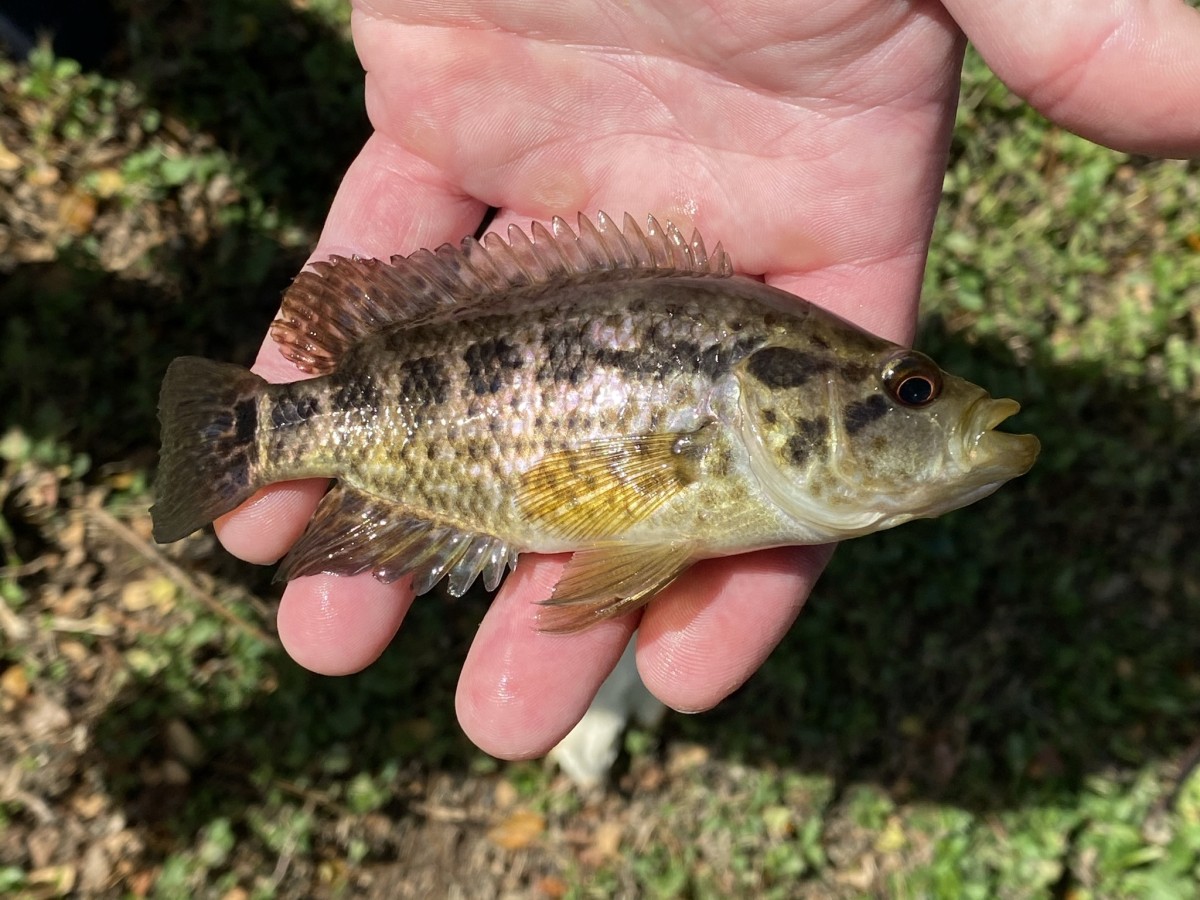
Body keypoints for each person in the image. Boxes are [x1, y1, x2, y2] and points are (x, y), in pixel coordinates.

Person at [214, 0, 1200, 759]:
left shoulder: (750, 387)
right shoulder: (733, 392)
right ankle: (255, 439)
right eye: (908, 392)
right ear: (778, 395)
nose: (932, 405)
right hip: (400, 435)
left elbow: (619, 525)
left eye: (915, 392)